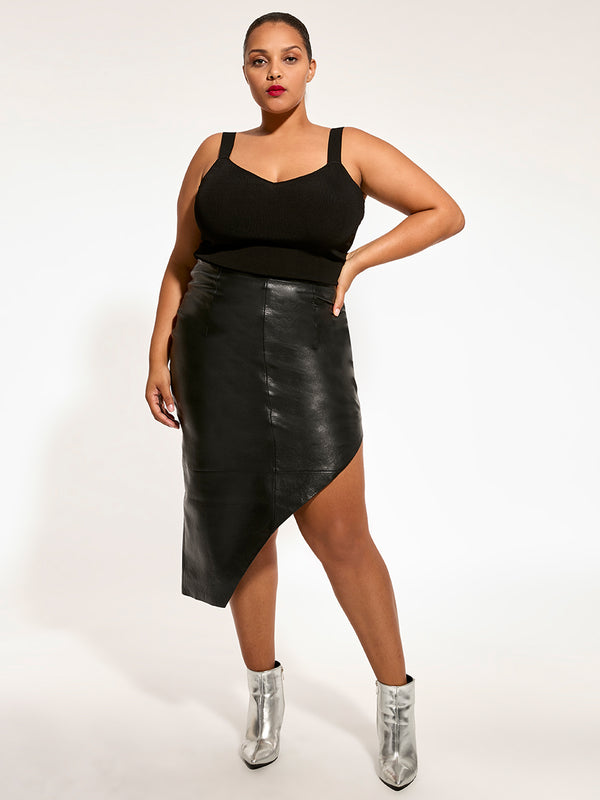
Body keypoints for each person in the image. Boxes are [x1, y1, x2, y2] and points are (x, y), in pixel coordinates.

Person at [145, 11, 464, 791]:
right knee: (244, 532)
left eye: (289, 58)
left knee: (342, 536)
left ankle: (395, 700)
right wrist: (158, 352)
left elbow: (443, 212)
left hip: (308, 348)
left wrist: (357, 262)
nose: (274, 72)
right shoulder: (215, 152)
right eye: (259, 60)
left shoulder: (350, 148)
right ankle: (264, 698)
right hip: (213, 348)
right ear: (245, 72)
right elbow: (182, 259)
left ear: (312, 68)